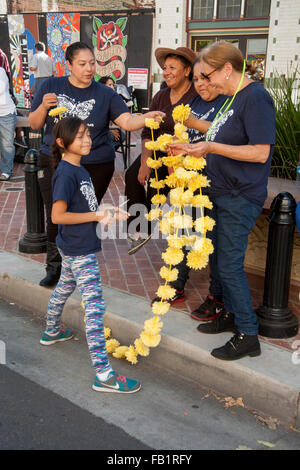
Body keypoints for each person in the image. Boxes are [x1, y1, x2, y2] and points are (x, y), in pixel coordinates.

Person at [168, 41, 276, 361]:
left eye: (206, 74)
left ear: (227, 68)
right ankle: (228, 314)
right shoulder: (231, 99)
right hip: (220, 192)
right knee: (217, 261)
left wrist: (210, 149)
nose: (204, 82)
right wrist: (190, 146)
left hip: (239, 196)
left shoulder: (255, 98)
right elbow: (217, 134)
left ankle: (247, 333)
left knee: (229, 267)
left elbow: (260, 152)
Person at [29, 41, 164, 288]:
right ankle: (55, 266)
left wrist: (144, 118)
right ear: (68, 65)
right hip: (55, 162)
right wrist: (43, 107)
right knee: (56, 214)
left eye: (92, 63)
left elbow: (126, 121)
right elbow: (35, 124)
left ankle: (79, 266)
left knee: (85, 215)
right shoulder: (51, 86)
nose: (89, 68)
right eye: (82, 64)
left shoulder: (106, 94)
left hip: (96, 164)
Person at [40, 116, 141, 394]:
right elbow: (57, 215)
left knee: (64, 287)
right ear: (62, 143)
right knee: (95, 309)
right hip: (79, 249)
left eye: (88, 134)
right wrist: (97, 214)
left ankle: (51, 331)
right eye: (80, 136)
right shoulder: (66, 173)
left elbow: (82, 207)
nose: (87, 140)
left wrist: (105, 211)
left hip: (74, 245)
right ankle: (104, 375)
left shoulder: (79, 169)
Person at [151, 56, 228, 307]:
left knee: (212, 240)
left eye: (205, 79)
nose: (201, 84)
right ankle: (176, 284)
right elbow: (183, 134)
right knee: (182, 233)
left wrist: (193, 123)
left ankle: (216, 295)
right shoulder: (193, 101)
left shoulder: (227, 104)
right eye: (196, 80)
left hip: (216, 183)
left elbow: (226, 134)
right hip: (188, 182)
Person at [125, 46, 197, 255]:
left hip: (183, 154)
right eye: (165, 68)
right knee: (133, 175)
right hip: (156, 149)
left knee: (158, 185)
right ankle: (137, 227)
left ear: (187, 71)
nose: (166, 72)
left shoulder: (196, 95)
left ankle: (148, 227)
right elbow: (147, 131)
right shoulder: (161, 95)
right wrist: (145, 162)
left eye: (173, 67)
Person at [99, 75, 125, 152]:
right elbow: (98, 122)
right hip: (98, 131)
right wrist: (109, 130)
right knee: (117, 136)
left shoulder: (110, 99)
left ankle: (107, 152)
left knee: (121, 135)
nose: (113, 88)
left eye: (113, 85)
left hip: (108, 128)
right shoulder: (98, 100)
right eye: (110, 85)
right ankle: (106, 153)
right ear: (102, 86)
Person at [0, 67, 16, 181]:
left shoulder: (0, 71)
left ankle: (6, 171)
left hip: (5, 113)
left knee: (7, 144)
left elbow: (1, 89)